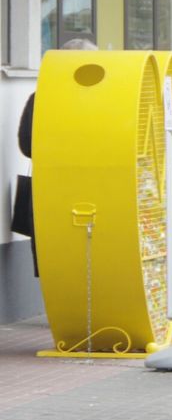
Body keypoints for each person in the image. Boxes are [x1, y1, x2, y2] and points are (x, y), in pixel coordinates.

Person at [16, 38, 99, 277]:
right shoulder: (105, 101)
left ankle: (60, 305)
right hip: (96, 189)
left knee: (53, 251)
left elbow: (26, 144)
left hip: (49, 189)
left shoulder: (40, 98)